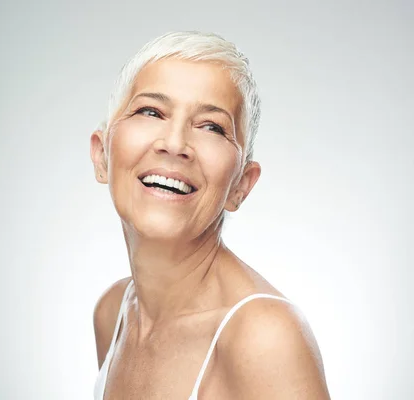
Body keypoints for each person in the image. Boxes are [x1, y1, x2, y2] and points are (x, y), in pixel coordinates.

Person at [90, 31, 331, 399]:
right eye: (150, 111)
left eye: (212, 127)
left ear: (241, 186)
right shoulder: (113, 312)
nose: (174, 143)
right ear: (102, 154)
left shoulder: (264, 336)